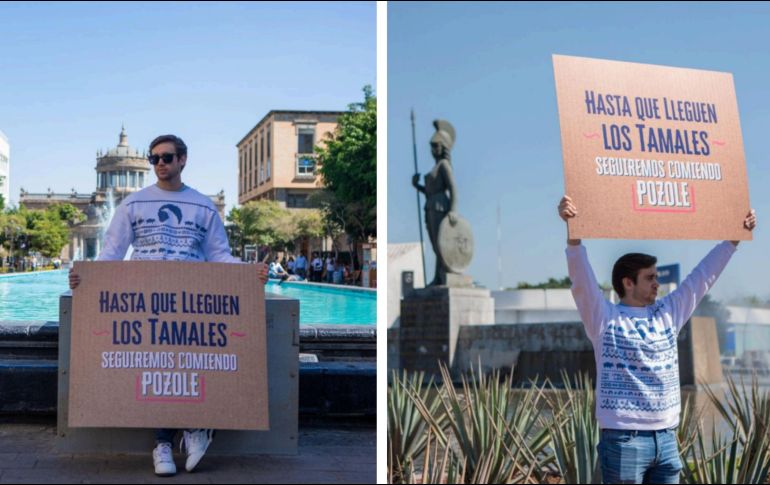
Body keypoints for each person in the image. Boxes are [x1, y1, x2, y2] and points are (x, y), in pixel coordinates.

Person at [69, 134, 269, 478]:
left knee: (188, 364)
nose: (160, 164)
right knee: (156, 366)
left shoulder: (203, 206)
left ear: (182, 159)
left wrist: (250, 275)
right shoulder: (133, 204)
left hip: (193, 301)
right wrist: (85, 279)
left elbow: (219, 256)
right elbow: (111, 254)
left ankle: (194, 428)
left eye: (166, 157)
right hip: (146, 300)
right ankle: (164, 441)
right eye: (154, 159)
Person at [558, 195, 756, 484]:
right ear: (628, 283)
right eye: (650, 278)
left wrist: (733, 239)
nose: (657, 283)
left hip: (666, 440)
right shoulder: (604, 318)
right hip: (623, 441)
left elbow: (702, 277)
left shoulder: (668, 313)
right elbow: (582, 283)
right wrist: (573, 236)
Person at [412, 119, 458, 286]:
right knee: (435, 245)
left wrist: (453, 210)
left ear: (443, 147)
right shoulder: (436, 166)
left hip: (440, 206)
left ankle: (444, 274)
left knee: (440, 244)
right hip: (430, 206)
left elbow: (452, 188)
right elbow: (429, 192)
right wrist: (417, 186)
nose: (433, 150)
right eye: (432, 146)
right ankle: (439, 276)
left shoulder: (444, 165)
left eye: (436, 146)